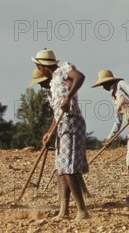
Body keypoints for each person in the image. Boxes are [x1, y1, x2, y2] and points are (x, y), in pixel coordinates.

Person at [32, 49, 90, 220]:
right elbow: (56, 115)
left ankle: (82, 210)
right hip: (62, 123)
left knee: (68, 168)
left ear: (43, 66)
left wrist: (68, 98)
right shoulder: (52, 87)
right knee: (61, 169)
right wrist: (50, 132)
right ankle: (63, 210)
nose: (37, 69)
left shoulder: (63, 70)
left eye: (38, 66)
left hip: (72, 121)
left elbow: (80, 77)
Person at [91, 70, 129, 196]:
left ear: (109, 80)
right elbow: (118, 119)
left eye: (104, 83)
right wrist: (110, 137)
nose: (103, 87)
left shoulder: (122, 84)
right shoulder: (114, 95)